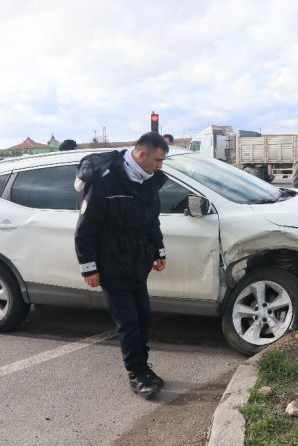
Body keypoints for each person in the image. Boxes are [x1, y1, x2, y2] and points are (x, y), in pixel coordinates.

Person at [74, 132, 169, 399]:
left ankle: (144, 367)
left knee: (144, 317)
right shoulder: (106, 182)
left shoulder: (147, 181)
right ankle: (136, 373)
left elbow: (152, 221)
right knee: (128, 322)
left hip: (138, 261)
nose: (160, 166)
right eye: (158, 160)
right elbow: (85, 229)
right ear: (141, 155)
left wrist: (158, 250)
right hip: (111, 262)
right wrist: (89, 267)